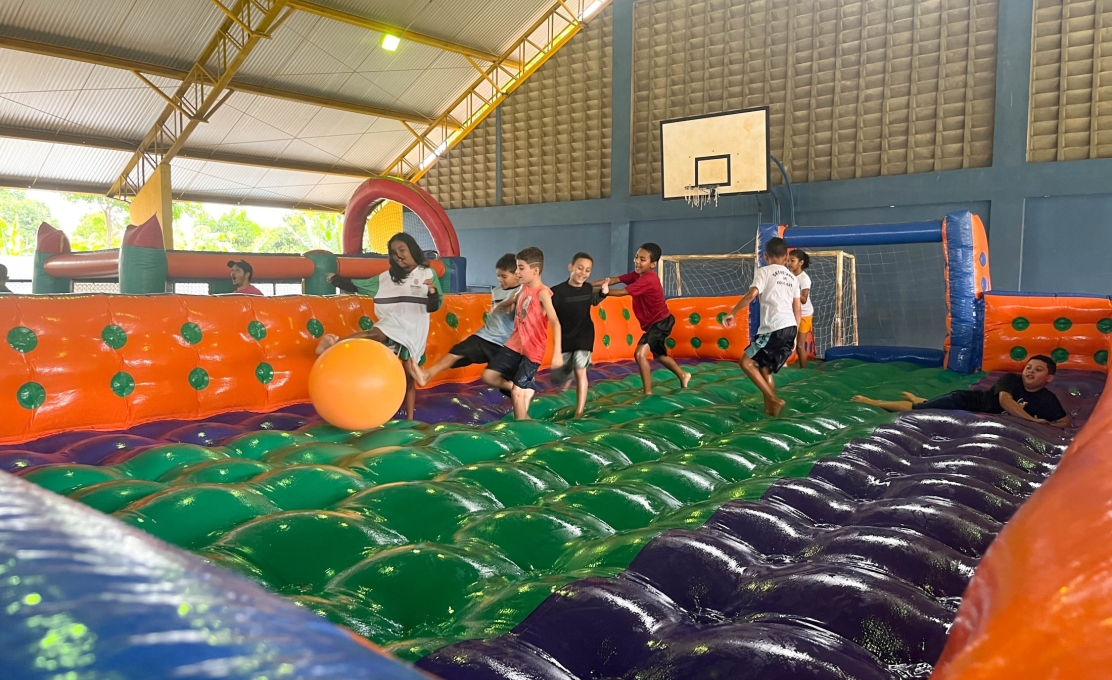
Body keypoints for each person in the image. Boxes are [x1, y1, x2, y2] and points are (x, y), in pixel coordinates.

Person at [317, 233, 442, 420]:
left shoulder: (427, 273)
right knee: (377, 334)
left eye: (402, 250)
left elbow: (435, 305)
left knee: (409, 377)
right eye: (394, 253)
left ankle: (409, 419)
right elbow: (359, 285)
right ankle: (335, 344)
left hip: (414, 330)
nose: (399, 256)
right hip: (392, 322)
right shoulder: (387, 278)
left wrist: (432, 292)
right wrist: (336, 279)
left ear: (412, 250)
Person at [851, 355, 1071, 428]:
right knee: (920, 409)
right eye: (1028, 367)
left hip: (969, 409)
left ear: (1049, 378)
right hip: (965, 401)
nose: (1030, 372)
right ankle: (875, 401)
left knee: (933, 403)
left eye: (1038, 370)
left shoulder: (1047, 399)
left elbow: (1065, 422)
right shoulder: (1011, 379)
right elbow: (1005, 401)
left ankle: (921, 398)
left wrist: (1050, 424)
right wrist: (1032, 421)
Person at [594, 242, 690, 396]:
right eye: (637, 257)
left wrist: (600, 292)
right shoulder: (637, 275)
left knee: (639, 354)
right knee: (660, 356)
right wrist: (585, 285)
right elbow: (612, 280)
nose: (637, 261)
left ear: (653, 264)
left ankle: (648, 393)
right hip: (654, 323)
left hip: (660, 323)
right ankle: (683, 375)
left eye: (642, 259)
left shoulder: (649, 280)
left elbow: (620, 293)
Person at [413, 253, 521, 387]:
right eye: (498, 275)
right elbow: (500, 309)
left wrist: (518, 300)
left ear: (517, 275)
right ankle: (427, 374)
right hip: (485, 337)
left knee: (505, 377)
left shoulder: (524, 291)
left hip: (505, 344)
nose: (500, 279)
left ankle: (516, 390)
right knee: (457, 351)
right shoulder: (497, 291)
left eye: (504, 276)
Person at [723, 237, 801, 417]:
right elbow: (797, 308)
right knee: (764, 368)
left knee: (745, 362)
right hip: (790, 327)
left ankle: (773, 399)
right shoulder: (793, 278)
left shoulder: (764, 272)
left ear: (766, 256)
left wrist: (732, 312)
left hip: (774, 327)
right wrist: (795, 335)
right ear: (786, 257)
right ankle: (770, 410)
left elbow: (752, 294)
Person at [484, 247, 563, 420]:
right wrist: (498, 307)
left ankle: (523, 425)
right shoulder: (523, 288)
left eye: (521, 268)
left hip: (532, 351)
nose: (517, 272)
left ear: (535, 271)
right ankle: (525, 388)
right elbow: (513, 298)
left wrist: (557, 354)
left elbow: (555, 322)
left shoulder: (543, 293)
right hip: (515, 344)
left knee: (518, 395)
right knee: (489, 375)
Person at [549, 252, 608, 417]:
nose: (583, 273)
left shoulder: (588, 288)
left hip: (584, 335)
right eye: (580, 268)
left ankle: (579, 411)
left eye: (587, 270)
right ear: (571, 267)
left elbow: (594, 301)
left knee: (580, 371)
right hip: (566, 337)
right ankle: (569, 378)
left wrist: (603, 293)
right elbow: (546, 311)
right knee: (558, 377)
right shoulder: (557, 292)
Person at [787, 249, 814, 368]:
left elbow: (803, 299)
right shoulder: (788, 276)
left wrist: (793, 291)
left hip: (805, 315)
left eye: (792, 260)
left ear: (801, 262)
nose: (789, 263)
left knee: (800, 345)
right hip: (792, 313)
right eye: (788, 260)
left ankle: (804, 370)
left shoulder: (804, 279)